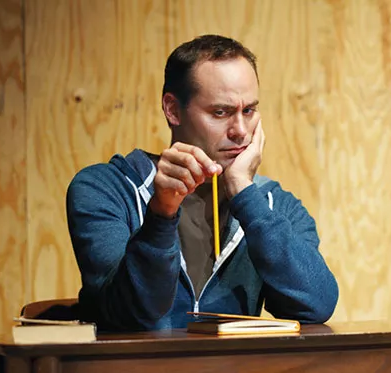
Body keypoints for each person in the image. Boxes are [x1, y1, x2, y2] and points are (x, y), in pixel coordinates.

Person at [66, 34, 339, 331]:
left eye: (248, 111)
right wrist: (161, 214)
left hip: (236, 363)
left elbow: (317, 305)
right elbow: (131, 315)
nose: (240, 131)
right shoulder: (105, 189)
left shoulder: (273, 204)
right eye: (220, 112)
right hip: (134, 363)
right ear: (173, 110)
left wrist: (245, 195)